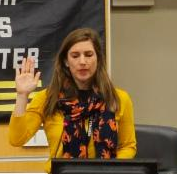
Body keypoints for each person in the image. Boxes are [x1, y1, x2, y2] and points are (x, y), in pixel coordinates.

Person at [8, 28, 137, 166]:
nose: (82, 61)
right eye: (75, 56)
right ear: (66, 61)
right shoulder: (47, 98)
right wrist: (22, 95)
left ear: (98, 58)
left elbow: (128, 146)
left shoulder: (119, 98)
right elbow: (17, 139)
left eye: (88, 55)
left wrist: (110, 170)